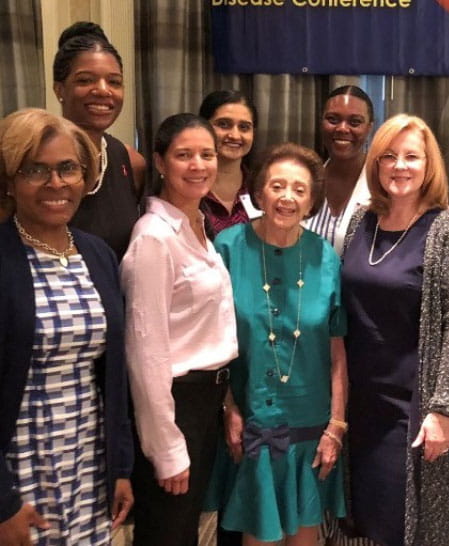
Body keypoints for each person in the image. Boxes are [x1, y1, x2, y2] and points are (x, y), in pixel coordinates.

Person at [341, 114, 449, 546]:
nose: (400, 166)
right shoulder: (361, 221)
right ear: (377, 165)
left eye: (412, 157)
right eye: (390, 157)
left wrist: (444, 409)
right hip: (360, 400)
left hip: (413, 406)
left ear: (429, 165)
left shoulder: (447, 229)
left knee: (404, 523)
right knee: (359, 517)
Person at [0, 108, 133, 544]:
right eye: (35, 170)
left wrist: (120, 468)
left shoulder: (97, 255)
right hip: (19, 463)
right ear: (9, 179)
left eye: (67, 169)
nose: (55, 184)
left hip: (86, 457)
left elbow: (112, 375)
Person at [205, 142, 347, 546]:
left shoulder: (326, 258)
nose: (287, 197)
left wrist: (336, 425)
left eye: (300, 189)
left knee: (305, 538)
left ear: (312, 200)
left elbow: (337, 352)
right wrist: (228, 407)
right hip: (251, 420)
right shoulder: (227, 249)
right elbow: (212, 340)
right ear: (260, 192)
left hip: (311, 424)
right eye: (278, 185)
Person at [121, 113, 238, 545]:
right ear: (160, 161)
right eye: (183, 155)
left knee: (185, 527)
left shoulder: (198, 226)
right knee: (166, 531)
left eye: (206, 154)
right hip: (175, 406)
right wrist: (165, 447)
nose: (198, 165)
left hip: (206, 402)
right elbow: (145, 352)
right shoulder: (154, 237)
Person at [52, 21, 146, 260]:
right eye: (85, 80)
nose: (103, 90)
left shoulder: (131, 163)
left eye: (114, 81)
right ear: (59, 89)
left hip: (114, 295)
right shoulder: (33, 157)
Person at [304, 85, 373, 254]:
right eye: (333, 119)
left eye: (355, 122)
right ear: (321, 123)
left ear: (369, 128)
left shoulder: (383, 186)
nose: (342, 128)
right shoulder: (305, 181)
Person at [198, 89, 263, 235]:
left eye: (244, 127)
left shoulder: (263, 189)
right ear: (203, 127)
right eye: (223, 124)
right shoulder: (188, 189)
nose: (234, 135)